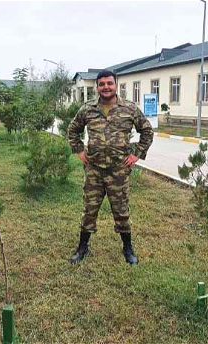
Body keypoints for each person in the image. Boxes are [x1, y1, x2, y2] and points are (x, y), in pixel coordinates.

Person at [67, 70, 153, 265]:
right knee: (90, 209)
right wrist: (79, 150)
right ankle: (82, 247)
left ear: (116, 85)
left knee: (121, 209)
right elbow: (73, 129)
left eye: (109, 83)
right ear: (97, 87)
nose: (106, 87)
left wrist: (136, 154)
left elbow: (147, 131)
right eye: (102, 84)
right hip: (94, 169)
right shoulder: (88, 109)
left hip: (118, 170)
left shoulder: (129, 109)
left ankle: (128, 248)